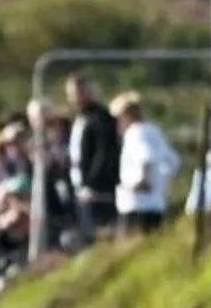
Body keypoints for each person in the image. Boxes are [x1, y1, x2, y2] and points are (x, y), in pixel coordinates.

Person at [110, 92, 180, 233]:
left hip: (136, 204)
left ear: (126, 115)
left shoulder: (135, 133)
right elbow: (173, 162)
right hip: (156, 203)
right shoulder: (154, 131)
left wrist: (144, 179)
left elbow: (145, 155)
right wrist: (161, 182)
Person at [65, 74, 120, 238]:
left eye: (81, 91)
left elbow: (104, 153)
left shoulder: (100, 118)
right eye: (73, 93)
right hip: (80, 185)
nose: (77, 97)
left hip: (97, 190)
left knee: (101, 230)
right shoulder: (80, 119)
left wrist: (93, 184)